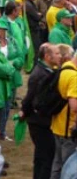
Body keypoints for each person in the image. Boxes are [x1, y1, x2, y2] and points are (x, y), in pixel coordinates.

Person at [20, 43, 61, 179]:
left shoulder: (46, 71)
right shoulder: (40, 75)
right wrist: (24, 112)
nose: (60, 56)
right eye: (57, 53)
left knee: (42, 157)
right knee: (45, 159)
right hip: (40, 123)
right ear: (47, 57)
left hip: (39, 121)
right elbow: (30, 98)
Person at [50, 49, 77, 179]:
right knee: (69, 165)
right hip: (69, 129)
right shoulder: (74, 77)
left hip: (57, 125)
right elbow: (74, 106)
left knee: (57, 164)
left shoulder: (64, 69)